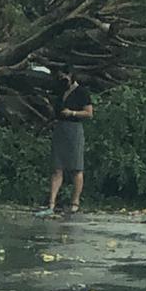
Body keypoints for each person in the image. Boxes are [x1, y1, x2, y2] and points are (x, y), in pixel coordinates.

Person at [37, 69, 93, 216]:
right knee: (57, 167)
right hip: (60, 128)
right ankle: (52, 202)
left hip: (74, 129)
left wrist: (72, 113)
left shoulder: (82, 92)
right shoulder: (60, 92)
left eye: (65, 77)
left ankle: (75, 202)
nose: (63, 80)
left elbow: (89, 112)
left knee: (76, 168)